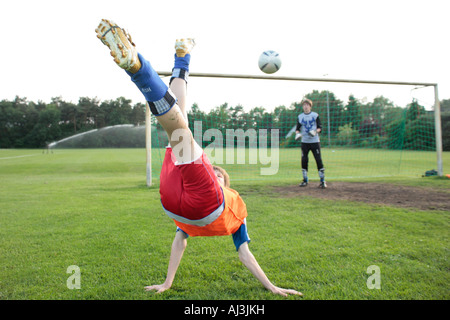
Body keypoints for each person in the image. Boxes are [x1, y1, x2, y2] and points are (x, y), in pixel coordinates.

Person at [95, 19, 302, 297]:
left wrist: (272, 286)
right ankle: (180, 57)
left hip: (200, 203)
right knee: (179, 124)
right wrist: (167, 283)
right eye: (215, 171)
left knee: (179, 127)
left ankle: (140, 68)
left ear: (225, 183)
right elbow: (180, 242)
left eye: (220, 174)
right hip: (176, 202)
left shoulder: (232, 201)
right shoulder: (202, 181)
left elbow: (244, 253)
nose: (216, 172)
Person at [295, 98, 327, 188]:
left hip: (314, 141)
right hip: (304, 142)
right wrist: (297, 134)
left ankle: (322, 180)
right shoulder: (300, 116)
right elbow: (297, 129)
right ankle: (305, 180)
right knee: (304, 159)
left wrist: (315, 131)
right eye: (304, 105)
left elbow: (320, 127)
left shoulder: (315, 115)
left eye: (307, 105)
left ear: (310, 106)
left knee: (318, 159)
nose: (305, 107)